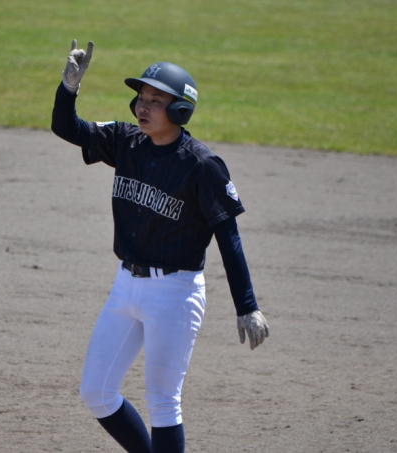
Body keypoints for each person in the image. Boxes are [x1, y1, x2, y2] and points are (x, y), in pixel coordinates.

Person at [51, 40, 270, 452]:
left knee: (163, 401)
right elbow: (67, 128)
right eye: (141, 98)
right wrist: (69, 88)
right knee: (96, 390)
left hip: (174, 294)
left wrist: (247, 306)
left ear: (181, 110)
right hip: (125, 287)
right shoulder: (125, 141)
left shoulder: (201, 165)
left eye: (156, 100)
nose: (143, 107)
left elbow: (229, 236)